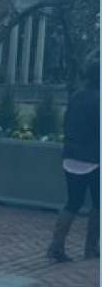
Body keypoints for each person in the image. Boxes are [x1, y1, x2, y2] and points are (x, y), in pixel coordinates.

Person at [46, 50, 100, 262]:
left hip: (70, 157)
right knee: (98, 204)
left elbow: (66, 124)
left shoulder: (76, 96)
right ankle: (90, 249)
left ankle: (55, 248)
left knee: (72, 202)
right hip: (94, 159)